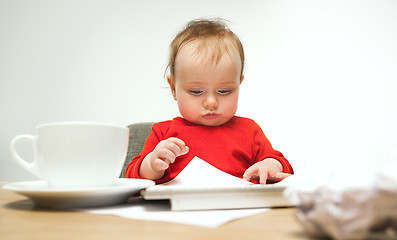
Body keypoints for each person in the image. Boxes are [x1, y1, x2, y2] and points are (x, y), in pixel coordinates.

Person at [126, 18, 293, 184]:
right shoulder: (163, 133)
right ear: (173, 88)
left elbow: (283, 165)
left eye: (224, 91)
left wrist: (269, 165)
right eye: (196, 91)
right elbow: (132, 175)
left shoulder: (250, 131)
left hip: (239, 206)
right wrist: (152, 164)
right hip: (179, 208)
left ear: (238, 84)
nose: (211, 102)